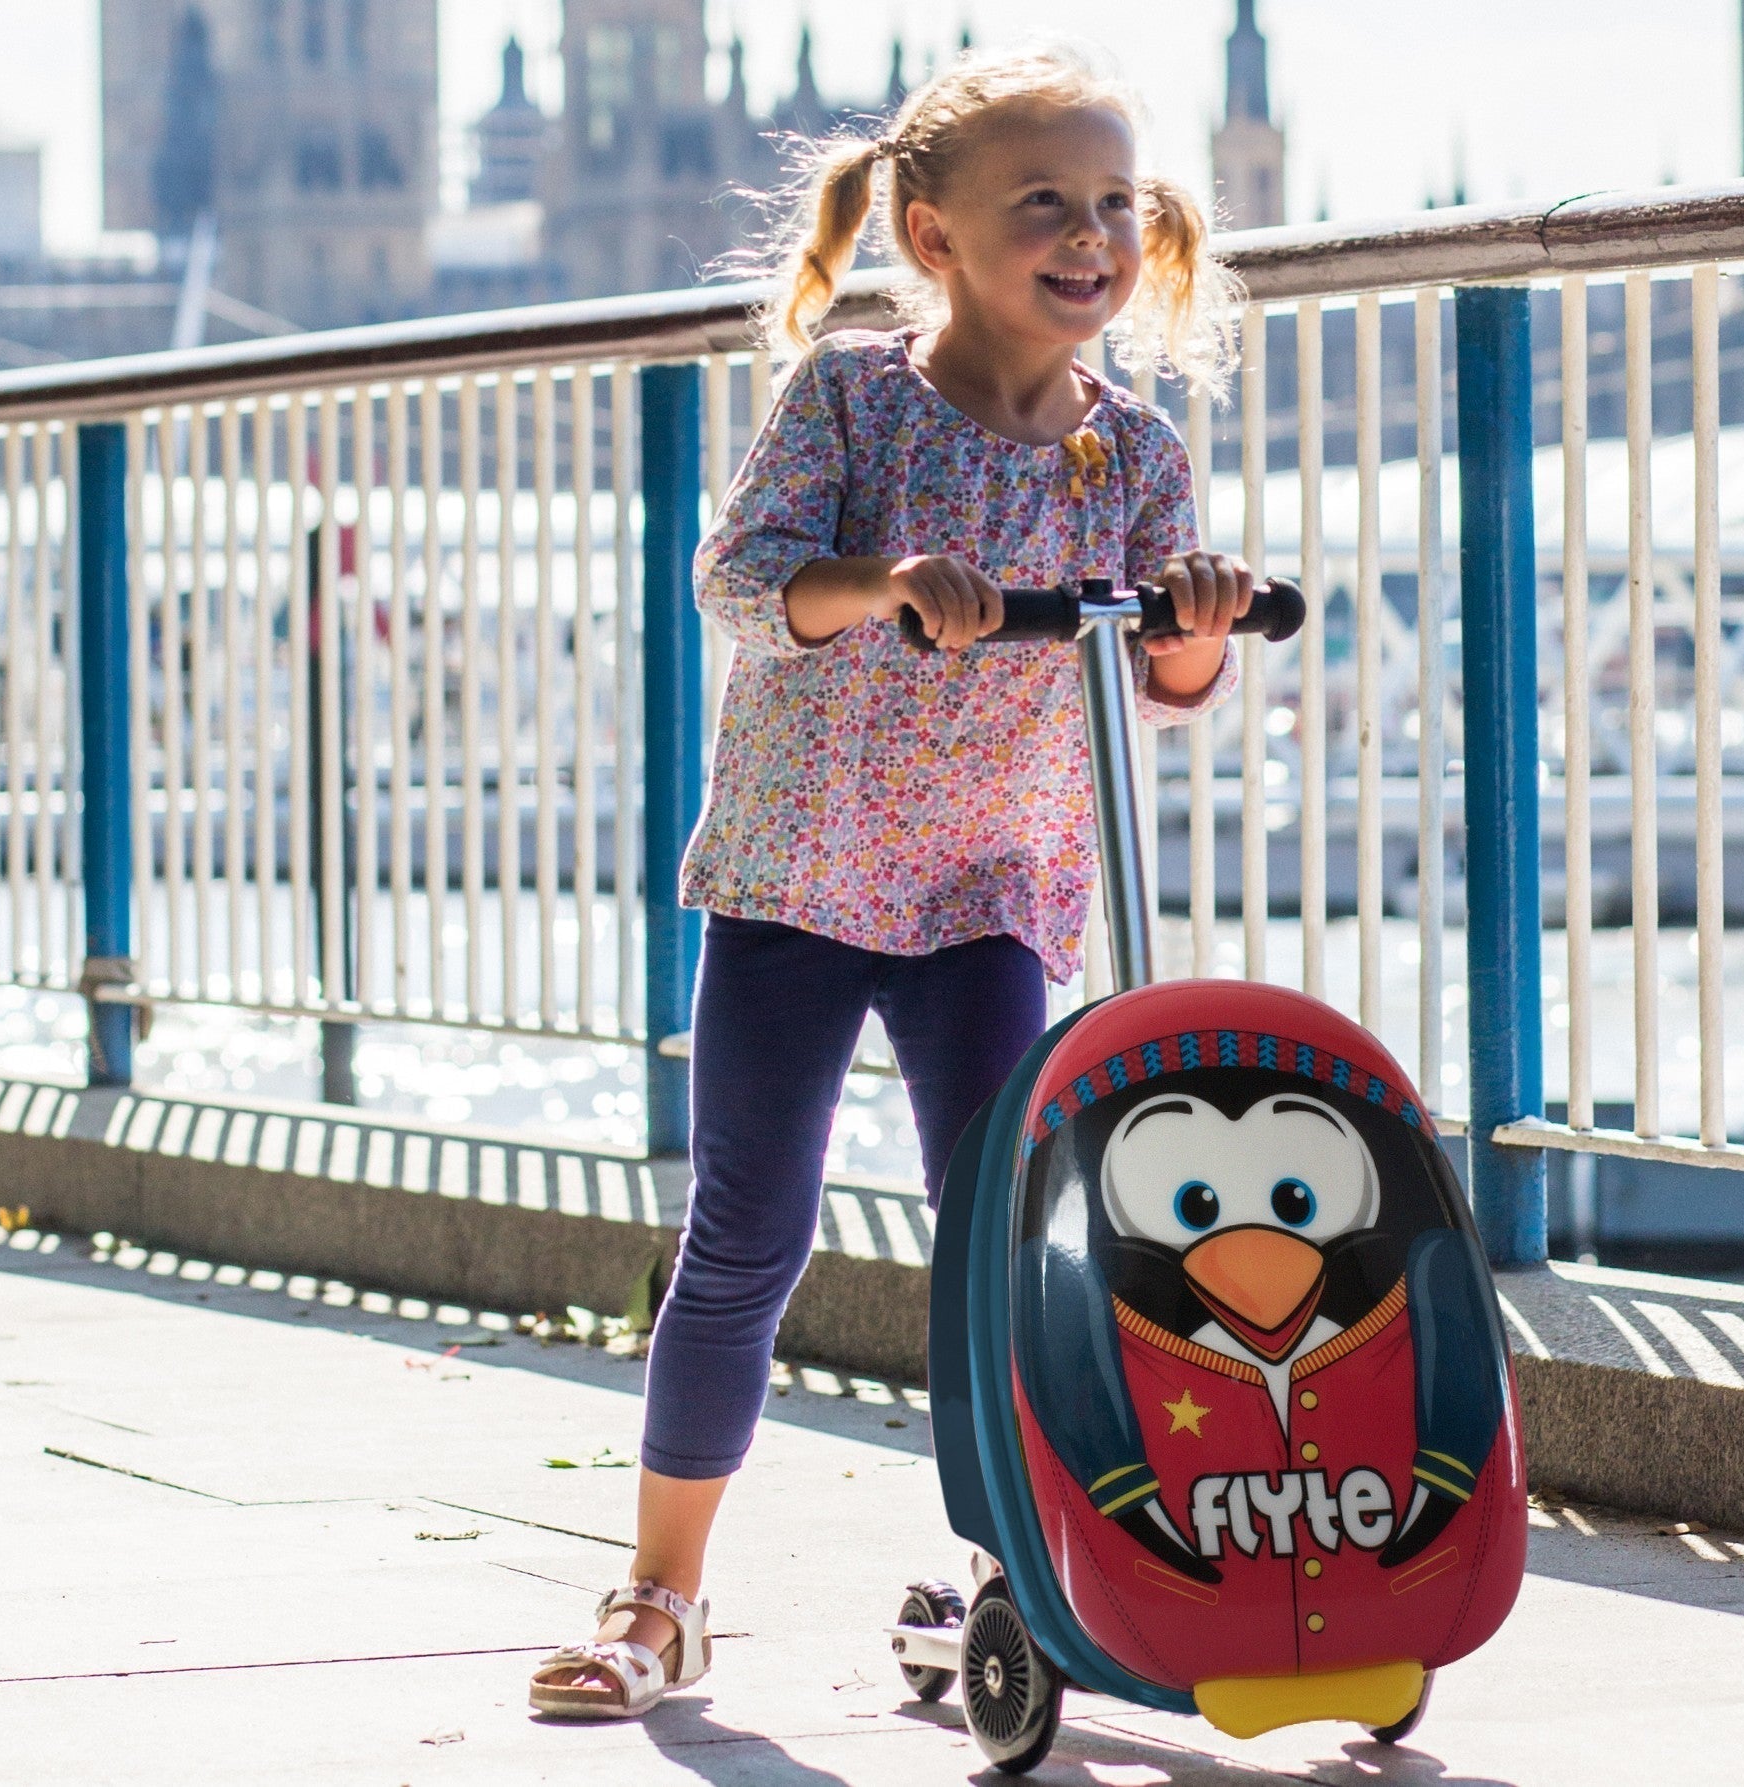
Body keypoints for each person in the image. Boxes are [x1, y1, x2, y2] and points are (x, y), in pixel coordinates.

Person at [529, 44, 1253, 1720]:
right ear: (931, 236)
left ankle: (1029, 1572)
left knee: (1001, 1239)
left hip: (990, 890)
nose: (1087, 237)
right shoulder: (853, 396)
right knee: (748, 1228)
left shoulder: (1128, 456)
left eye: (1113, 207)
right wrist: (881, 583)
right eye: (1043, 207)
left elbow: (1164, 673)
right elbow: (740, 578)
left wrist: (1198, 629)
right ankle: (664, 1592)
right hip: (801, 870)